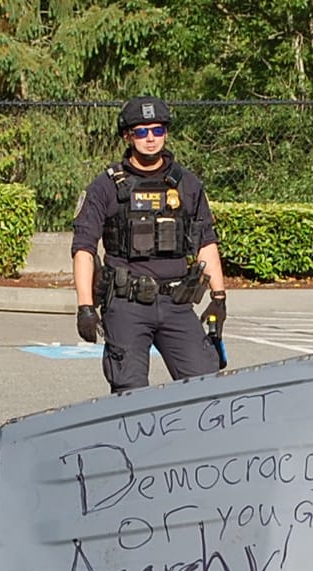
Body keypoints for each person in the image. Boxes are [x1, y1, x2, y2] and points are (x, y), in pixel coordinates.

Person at [71, 96, 228, 393]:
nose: (151, 138)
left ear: (166, 133)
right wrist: (85, 307)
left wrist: (219, 298)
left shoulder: (186, 184)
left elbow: (205, 241)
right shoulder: (106, 186)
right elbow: (84, 248)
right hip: (126, 303)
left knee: (205, 384)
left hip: (177, 303)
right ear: (127, 136)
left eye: (157, 130)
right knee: (129, 389)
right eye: (141, 131)